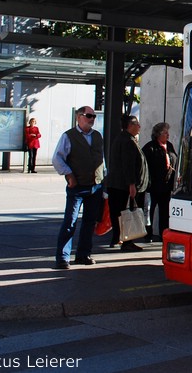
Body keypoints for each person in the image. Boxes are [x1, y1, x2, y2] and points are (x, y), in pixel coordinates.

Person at [51, 106, 105, 269]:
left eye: (94, 116)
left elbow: (102, 159)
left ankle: (83, 254)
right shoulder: (69, 136)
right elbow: (57, 158)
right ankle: (62, 257)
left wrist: (103, 177)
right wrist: (69, 174)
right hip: (77, 186)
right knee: (70, 221)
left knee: (90, 222)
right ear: (79, 117)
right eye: (89, 115)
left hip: (95, 186)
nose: (92, 119)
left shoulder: (97, 136)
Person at [106, 114, 150, 251]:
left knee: (118, 212)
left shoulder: (123, 139)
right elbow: (128, 164)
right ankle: (127, 241)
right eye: (137, 124)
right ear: (130, 126)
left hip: (117, 184)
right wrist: (132, 184)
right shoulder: (128, 141)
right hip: (123, 186)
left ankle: (118, 238)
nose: (139, 127)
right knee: (126, 213)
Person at [142, 121, 177, 243]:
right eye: (165, 133)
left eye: (168, 133)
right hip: (153, 186)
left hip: (166, 186)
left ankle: (163, 233)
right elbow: (144, 166)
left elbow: (174, 159)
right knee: (150, 210)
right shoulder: (150, 147)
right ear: (158, 134)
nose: (167, 135)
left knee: (164, 210)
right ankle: (148, 233)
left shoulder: (170, 146)